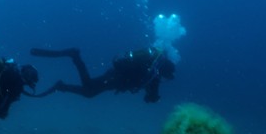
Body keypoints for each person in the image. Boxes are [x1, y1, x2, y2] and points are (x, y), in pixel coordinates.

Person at [30, 47, 175, 103]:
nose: (164, 79)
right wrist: (154, 97)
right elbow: (151, 96)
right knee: (88, 89)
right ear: (165, 70)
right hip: (116, 78)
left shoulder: (152, 70)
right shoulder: (154, 73)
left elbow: (149, 93)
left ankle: (61, 86)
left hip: (115, 77)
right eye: (166, 76)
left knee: (89, 92)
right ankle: (75, 56)